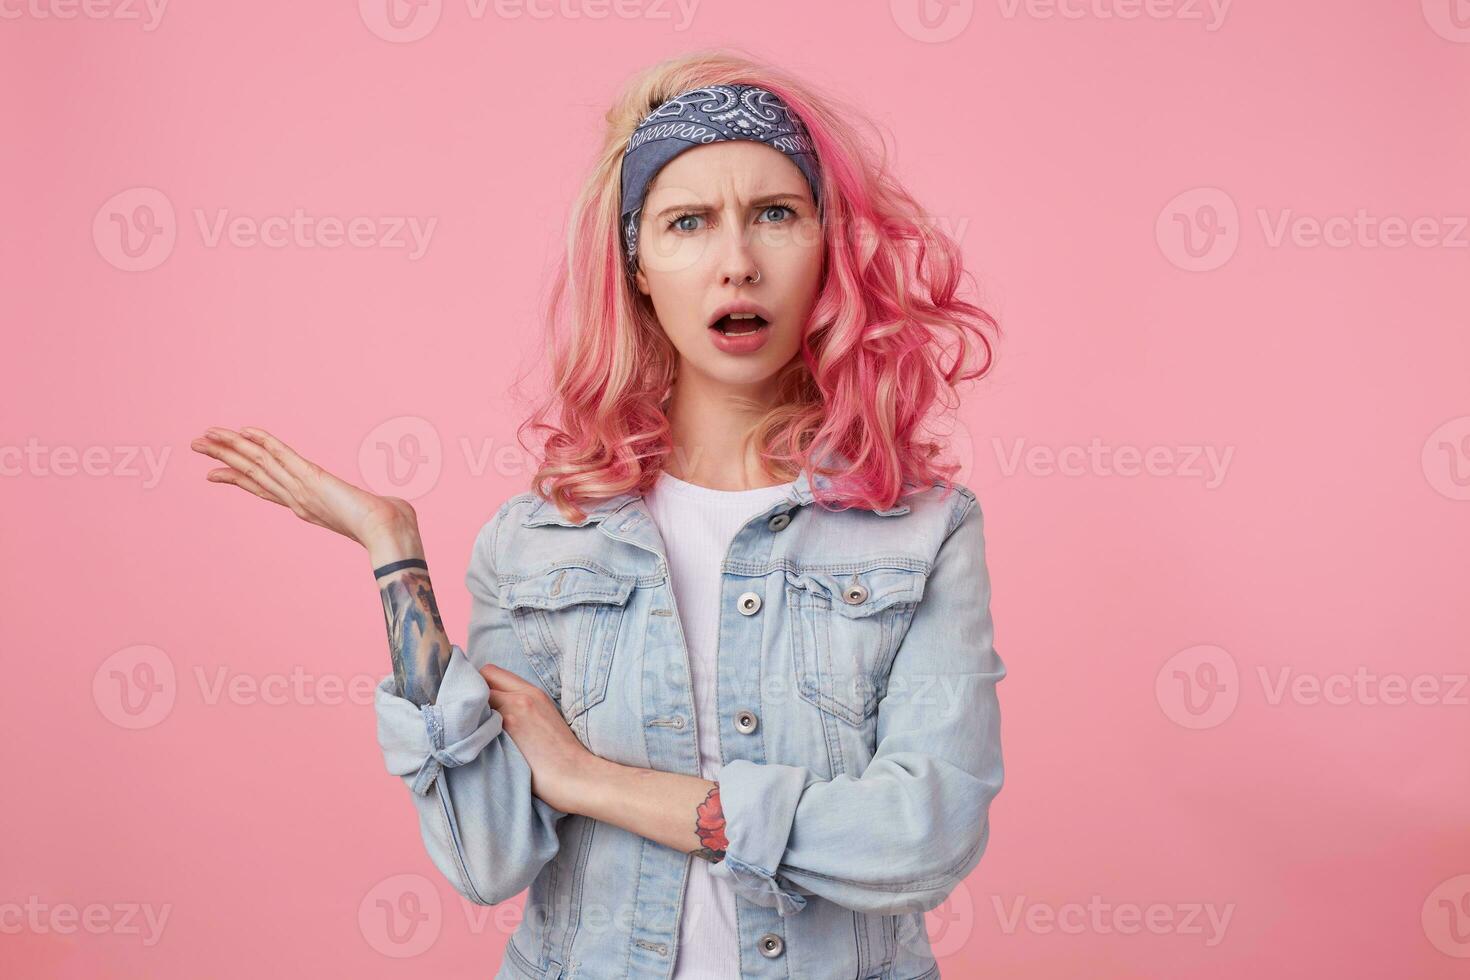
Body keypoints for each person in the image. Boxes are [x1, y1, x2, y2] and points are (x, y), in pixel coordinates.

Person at [191, 49, 1005, 980]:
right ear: (639, 270)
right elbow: (485, 858)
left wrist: (591, 782)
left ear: (829, 249)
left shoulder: (923, 529)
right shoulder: (538, 542)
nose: (736, 263)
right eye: (688, 223)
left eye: (775, 214)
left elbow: (923, 838)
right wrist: (394, 555)